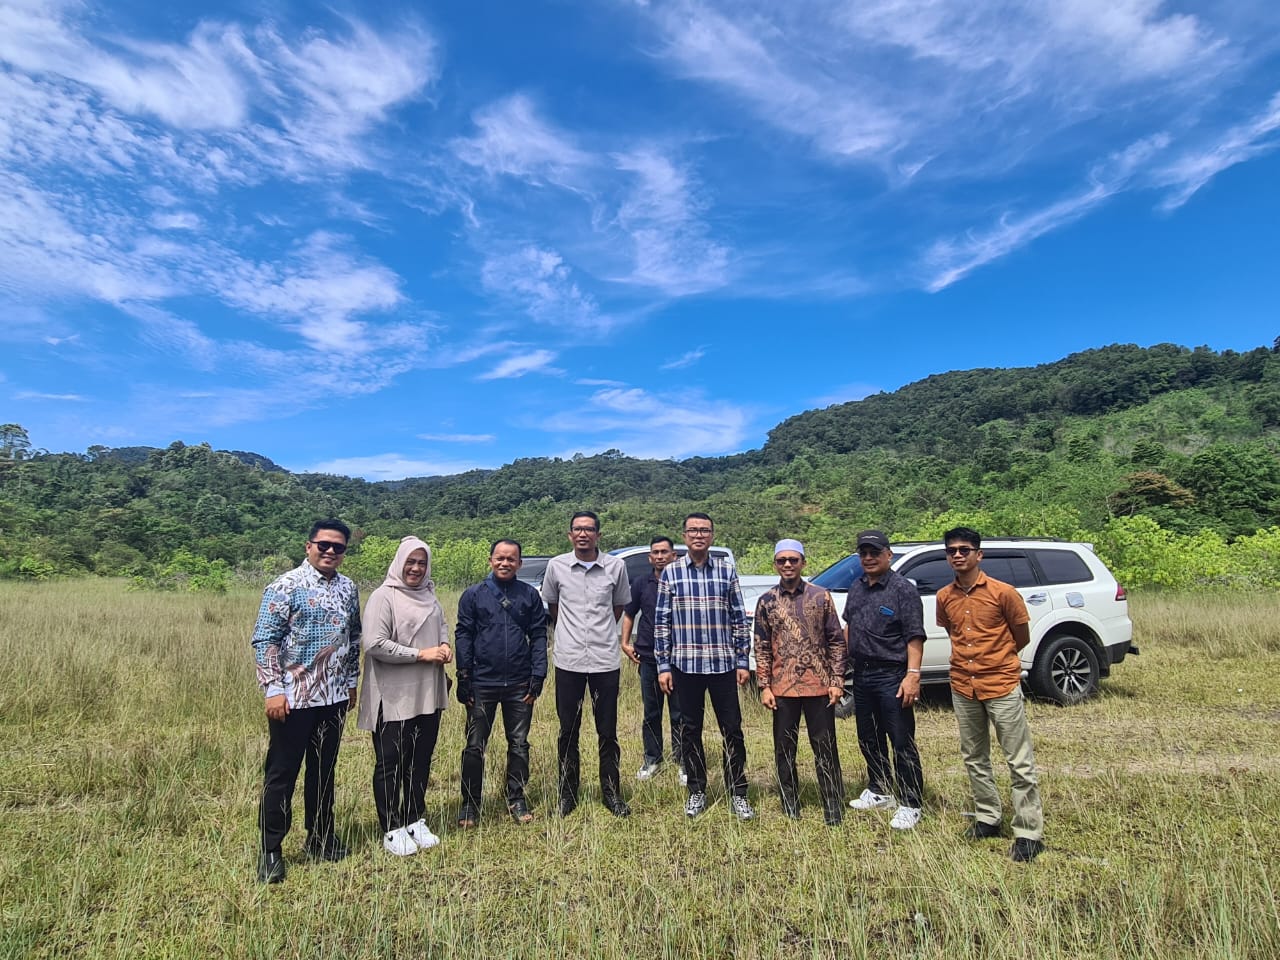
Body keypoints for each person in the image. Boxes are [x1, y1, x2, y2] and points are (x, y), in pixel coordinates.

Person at [251, 519, 361, 884]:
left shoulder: (348, 588)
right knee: (282, 774)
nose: (330, 551)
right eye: (323, 545)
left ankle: (321, 837)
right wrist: (272, 688)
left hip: (333, 696)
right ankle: (271, 849)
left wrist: (351, 683)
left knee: (324, 771)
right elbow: (265, 640)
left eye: (338, 547)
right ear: (308, 546)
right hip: (293, 698)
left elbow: (353, 638)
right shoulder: (285, 586)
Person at [935, 526, 1046, 862]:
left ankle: (1028, 832)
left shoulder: (1003, 593)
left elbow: (1021, 635)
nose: (957, 555)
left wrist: (998, 660)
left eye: (964, 549)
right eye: (952, 550)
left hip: (1001, 683)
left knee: (1018, 760)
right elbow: (952, 632)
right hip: (963, 685)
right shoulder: (944, 597)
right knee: (974, 756)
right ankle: (987, 817)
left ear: (979, 554)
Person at [654, 512, 754, 821]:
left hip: (722, 664)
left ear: (712, 535)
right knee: (690, 730)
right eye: (693, 530)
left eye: (704, 530)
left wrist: (742, 660)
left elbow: (739, 618)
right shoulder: (671, 573)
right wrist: (663, 665)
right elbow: (662, 622)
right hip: (685, 666)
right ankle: (696, 789)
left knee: (732, 729)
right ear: (684, 536)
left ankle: (738, 791)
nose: (699, 535)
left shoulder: (726, 571)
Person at [357, 536, 452, 856]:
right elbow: (374, 643)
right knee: (390, 763)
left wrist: (445, 646)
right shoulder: (384, 597)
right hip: (393, 695)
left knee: (420, 759)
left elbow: (441, 626)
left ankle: (414, 818)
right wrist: (421, 654)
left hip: (427, 692)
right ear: (399, 563)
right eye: (410, 562)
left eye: (422, 563)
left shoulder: (429, 595)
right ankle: (391, 826)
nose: (416, 568)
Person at [541, 511, 633, 817]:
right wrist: (572, 634)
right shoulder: (556, 566)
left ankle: (612, 793)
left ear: (598, 535)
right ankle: (567, 794)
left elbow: (618, 606)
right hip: (569, 660)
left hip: (605, 660)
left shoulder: (615, 567)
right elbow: (554, 607)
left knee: (607, 731)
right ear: (570, 535)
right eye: (578, 529)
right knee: (568, 730)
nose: (583, 534)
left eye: (589, 529)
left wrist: (599, 631)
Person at [455, 539, 548, 827]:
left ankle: (516, 798)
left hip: (520, 684)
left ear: (519, 563)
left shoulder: (529, 595)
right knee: (474, 746)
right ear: (490, 560)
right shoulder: (473, 595)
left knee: (519, 744)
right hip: (482, 683)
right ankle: (470, 803)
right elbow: (463, 635)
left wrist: (538, 676)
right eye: (500, 558)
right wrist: (463, 676)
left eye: (511, 559)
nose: (505, 563)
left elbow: (539, 635)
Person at [753, 539, 846, 825]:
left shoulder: (821, 596)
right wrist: (764, 686)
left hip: (819, 686)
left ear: (803, 563)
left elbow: (836, 641)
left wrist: (837, 680)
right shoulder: (766, 601)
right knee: (784, 749)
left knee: (825, 747)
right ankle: (789, 803)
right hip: (782, 688)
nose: (788, 565)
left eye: (793, 560)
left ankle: (833, 805)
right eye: (782, 560)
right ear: (775, 565)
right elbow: (761, 646)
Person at [843, 530, 926, 831]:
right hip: (862, 674)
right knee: (868, 736)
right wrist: (842, 665)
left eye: (874, 552)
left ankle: (911, 802)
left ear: (888, 555)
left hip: (892, 674)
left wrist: (912, 676)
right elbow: (849, 625)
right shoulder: (856, 587)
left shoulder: (903, 589)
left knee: (901, 739)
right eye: (863, 553)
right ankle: (879, 789)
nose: (868, 558)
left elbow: (914, 636)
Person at [620, 536, 685, 784]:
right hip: (648, 656)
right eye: (655, 552)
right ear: (650, 558)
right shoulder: (640, 583)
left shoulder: (682, 582)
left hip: (679, 658)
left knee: (680, 713)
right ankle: (652, 758)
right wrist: (625, 643)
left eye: (664, 552)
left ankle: (683, 761)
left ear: (673, 556)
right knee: (651, 712)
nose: (660, 556)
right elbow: (629, 613)